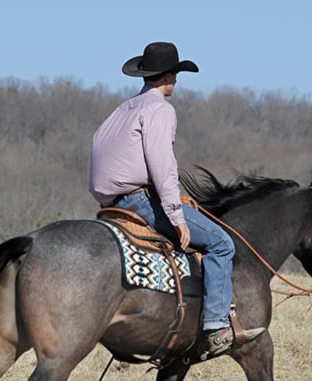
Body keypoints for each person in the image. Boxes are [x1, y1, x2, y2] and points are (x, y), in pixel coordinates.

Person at [89, 41, 262, 357]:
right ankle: (215, 327)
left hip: (110, 205)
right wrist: (176, 216)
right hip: (140, 202)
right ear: (169, 75)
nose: (177, 81)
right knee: (222, 243)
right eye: (176, 74)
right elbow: (162, 165)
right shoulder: (159, 109)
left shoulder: (122, 109)